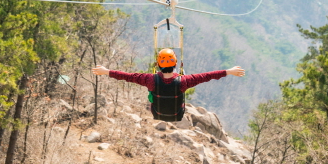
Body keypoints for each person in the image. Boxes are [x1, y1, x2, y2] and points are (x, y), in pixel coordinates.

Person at [91, 48, 245, 122]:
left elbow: (127, 76)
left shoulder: (149, 79)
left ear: (157, 64)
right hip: (177, 115)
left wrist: (106, 71)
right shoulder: (184, 81)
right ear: (176, 64)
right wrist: (228, 71)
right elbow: (207, 76)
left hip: (157, 113)